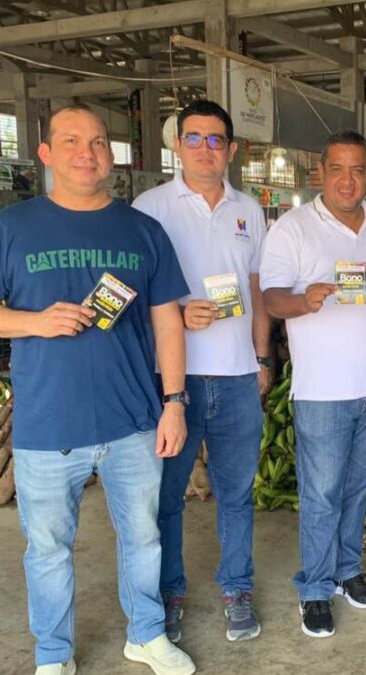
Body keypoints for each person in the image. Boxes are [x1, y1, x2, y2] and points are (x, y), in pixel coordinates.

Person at [0, 104, 197, 675]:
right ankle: (54, 655)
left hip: (134, 419)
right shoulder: (12, 227)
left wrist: (174, 403)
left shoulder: (143, 230)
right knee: (47, 549)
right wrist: (35, 321)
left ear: (109, 155)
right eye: (71, 141)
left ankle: (146, 634)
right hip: (47, 424)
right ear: (45, 153)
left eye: (96, 142)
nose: (86, 153)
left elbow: (168, 323)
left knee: (143, 539)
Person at [133, 100, 271, 645]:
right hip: (176, 382)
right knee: (166, 498)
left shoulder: (250, 210)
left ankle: (237, 589)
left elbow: (257, 290)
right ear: (177, 146)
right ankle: (170, 594)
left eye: (217, 140)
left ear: (232, 149)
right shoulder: (150, 207)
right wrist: (174, 312)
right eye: (195, 139)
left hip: (238, 378)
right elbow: (131, 292)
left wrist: (262, 358)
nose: (206, 149)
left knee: (237, 494)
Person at [259, 129, 366, 639]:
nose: (348, 179)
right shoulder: (293, 229)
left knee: (359, 485)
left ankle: (345, 571)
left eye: (358, 169)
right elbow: (271, 297)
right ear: (320, 172)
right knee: (321, 493)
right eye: (338, 168)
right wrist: (304, 301)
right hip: (322, 390)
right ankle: (315, 589)